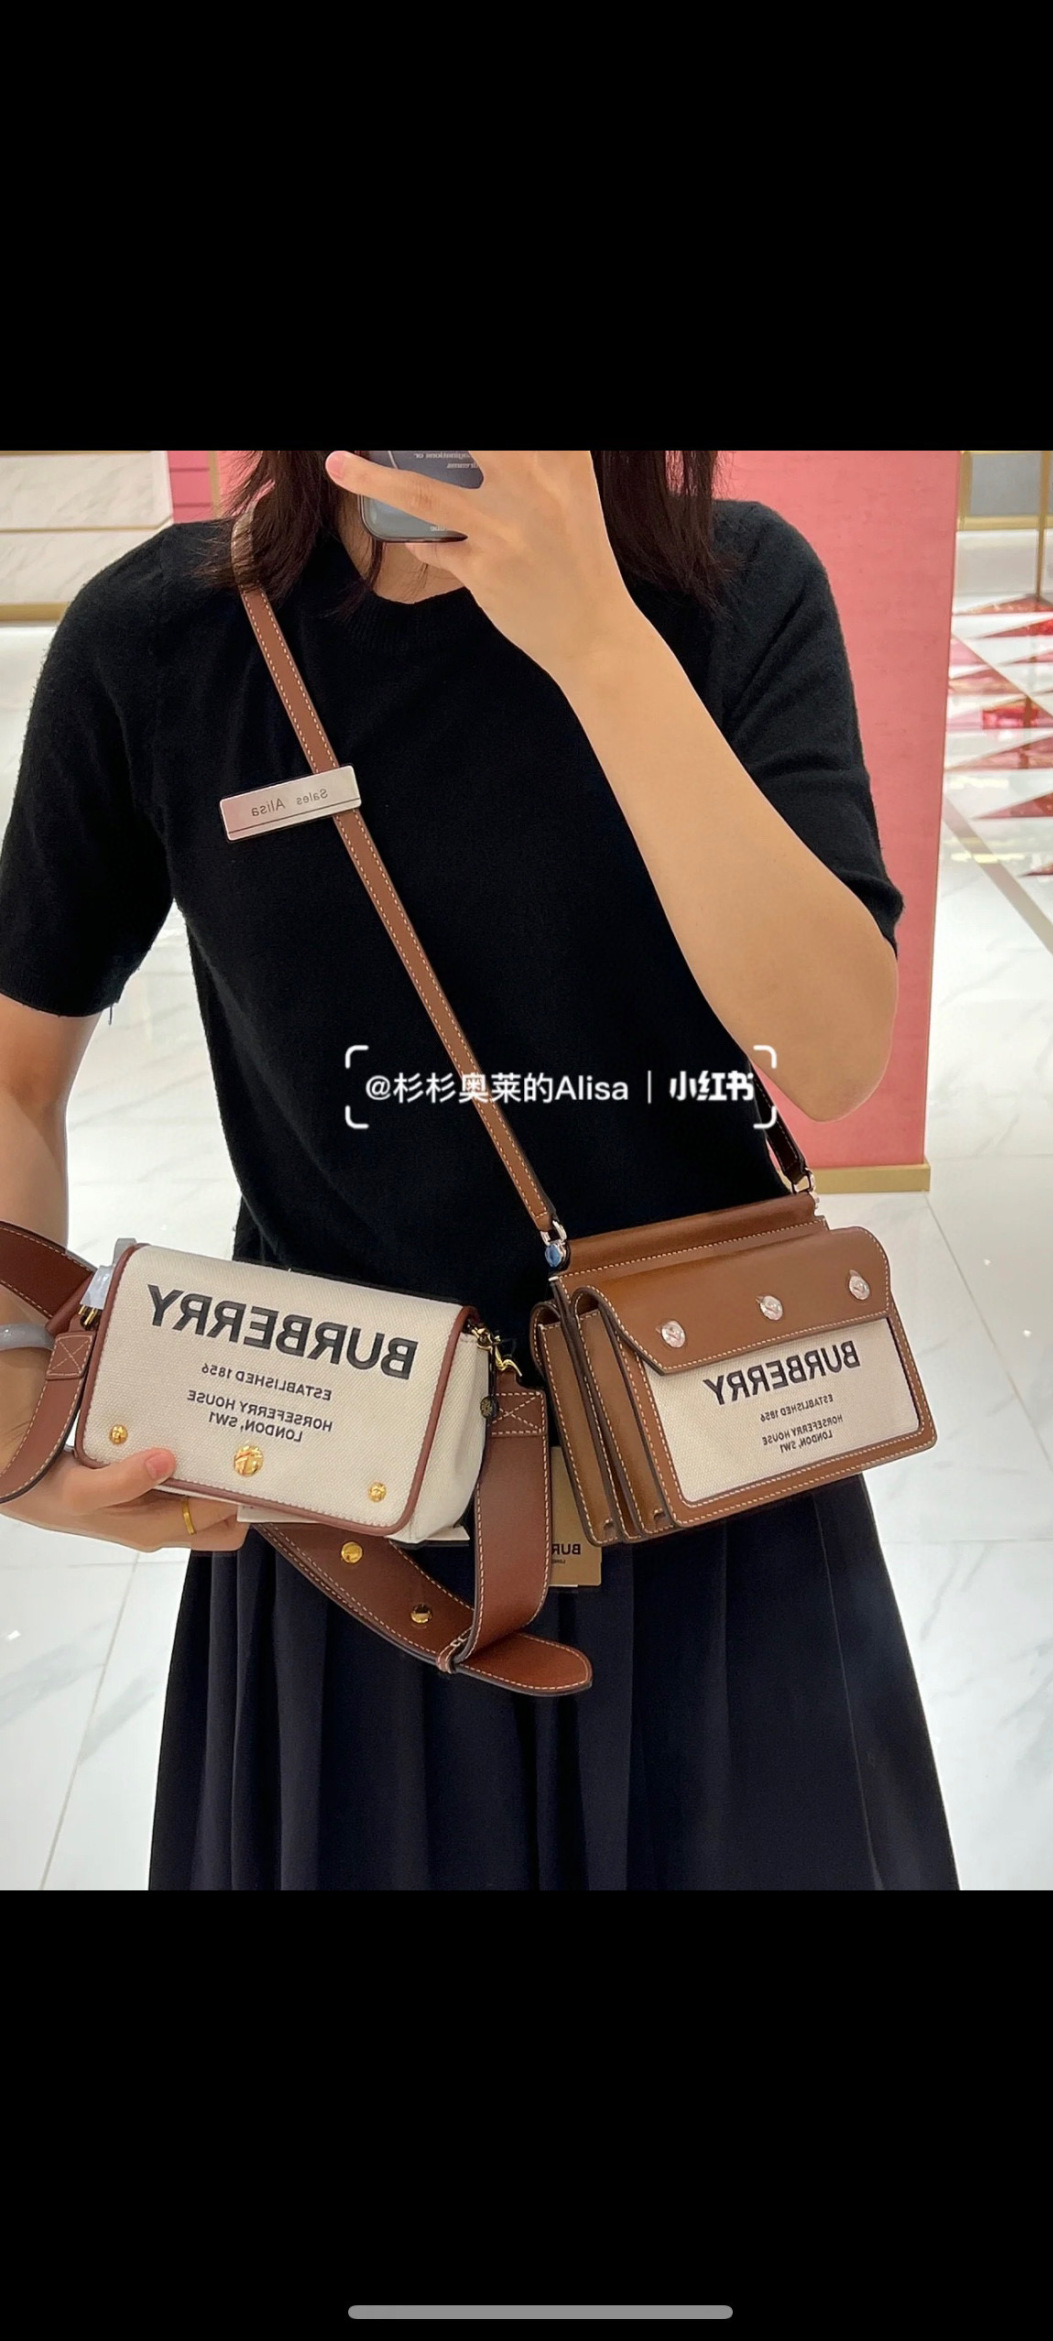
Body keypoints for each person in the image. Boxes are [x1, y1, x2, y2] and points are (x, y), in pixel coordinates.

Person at [0, 449, 959, 1891]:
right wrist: (15, 1388)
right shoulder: (163, 639)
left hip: (711, 1480)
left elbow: (828, 1051)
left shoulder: (733, 592)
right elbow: (16, 1070)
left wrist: (600, 646)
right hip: (349, 1496)